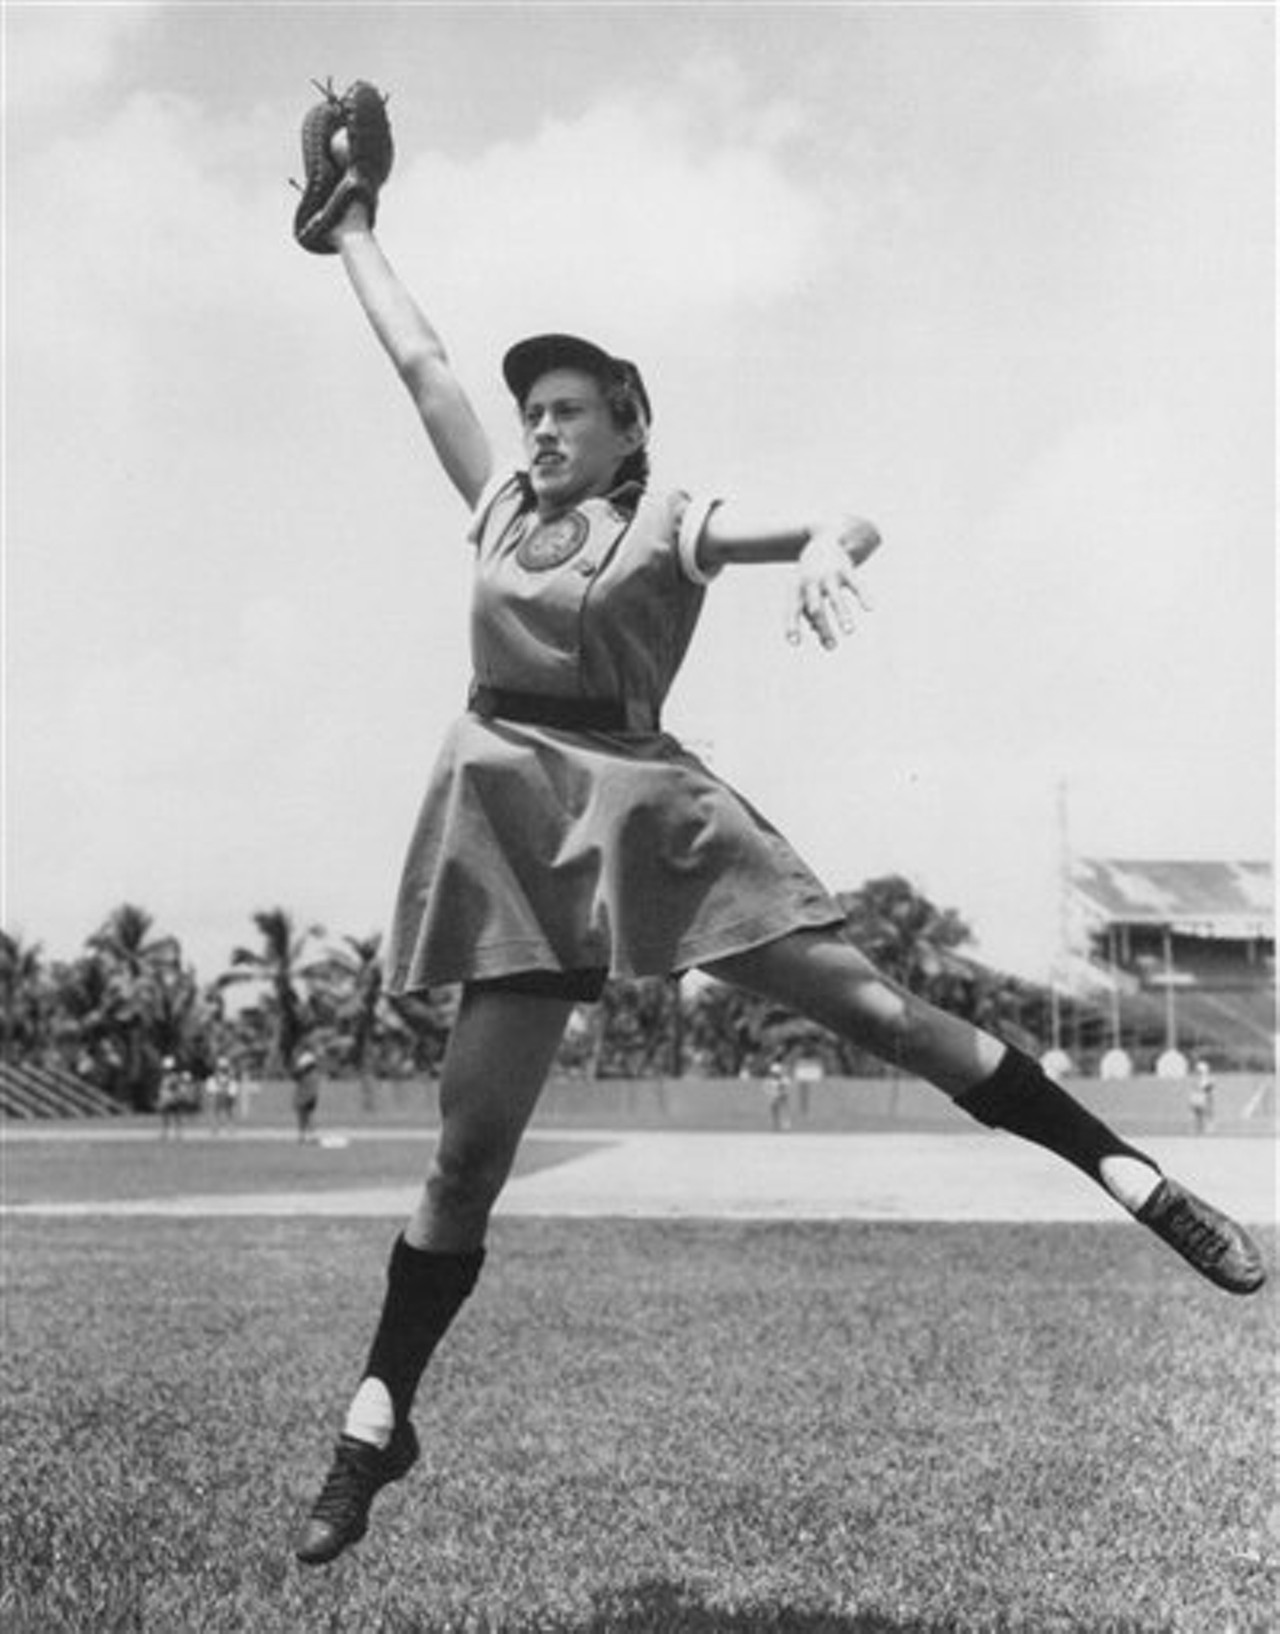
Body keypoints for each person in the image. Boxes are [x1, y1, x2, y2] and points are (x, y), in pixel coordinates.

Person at [290, 90, 1265, 1569]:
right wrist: (357, 228)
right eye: (534, 408)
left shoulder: (666, 515)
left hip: (641, 805)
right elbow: (421, 357)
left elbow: (847, 513)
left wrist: (823, 552)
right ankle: (377, 1417)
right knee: (461, 1162)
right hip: (507, 815)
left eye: (570, 409)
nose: (541, 427)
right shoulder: (495, 501)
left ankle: (1138, 1179)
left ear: (628, 427)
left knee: (881, 1009)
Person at [290, 1050, 321, 1145]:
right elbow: (294, 1076)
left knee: (305, 1118)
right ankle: (306, 1137)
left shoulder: (308, 1074)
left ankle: (307, 1137)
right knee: (306, 1118)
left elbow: (295, 1076)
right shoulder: (309, 1073)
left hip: (306, 1098)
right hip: (308, 1098)